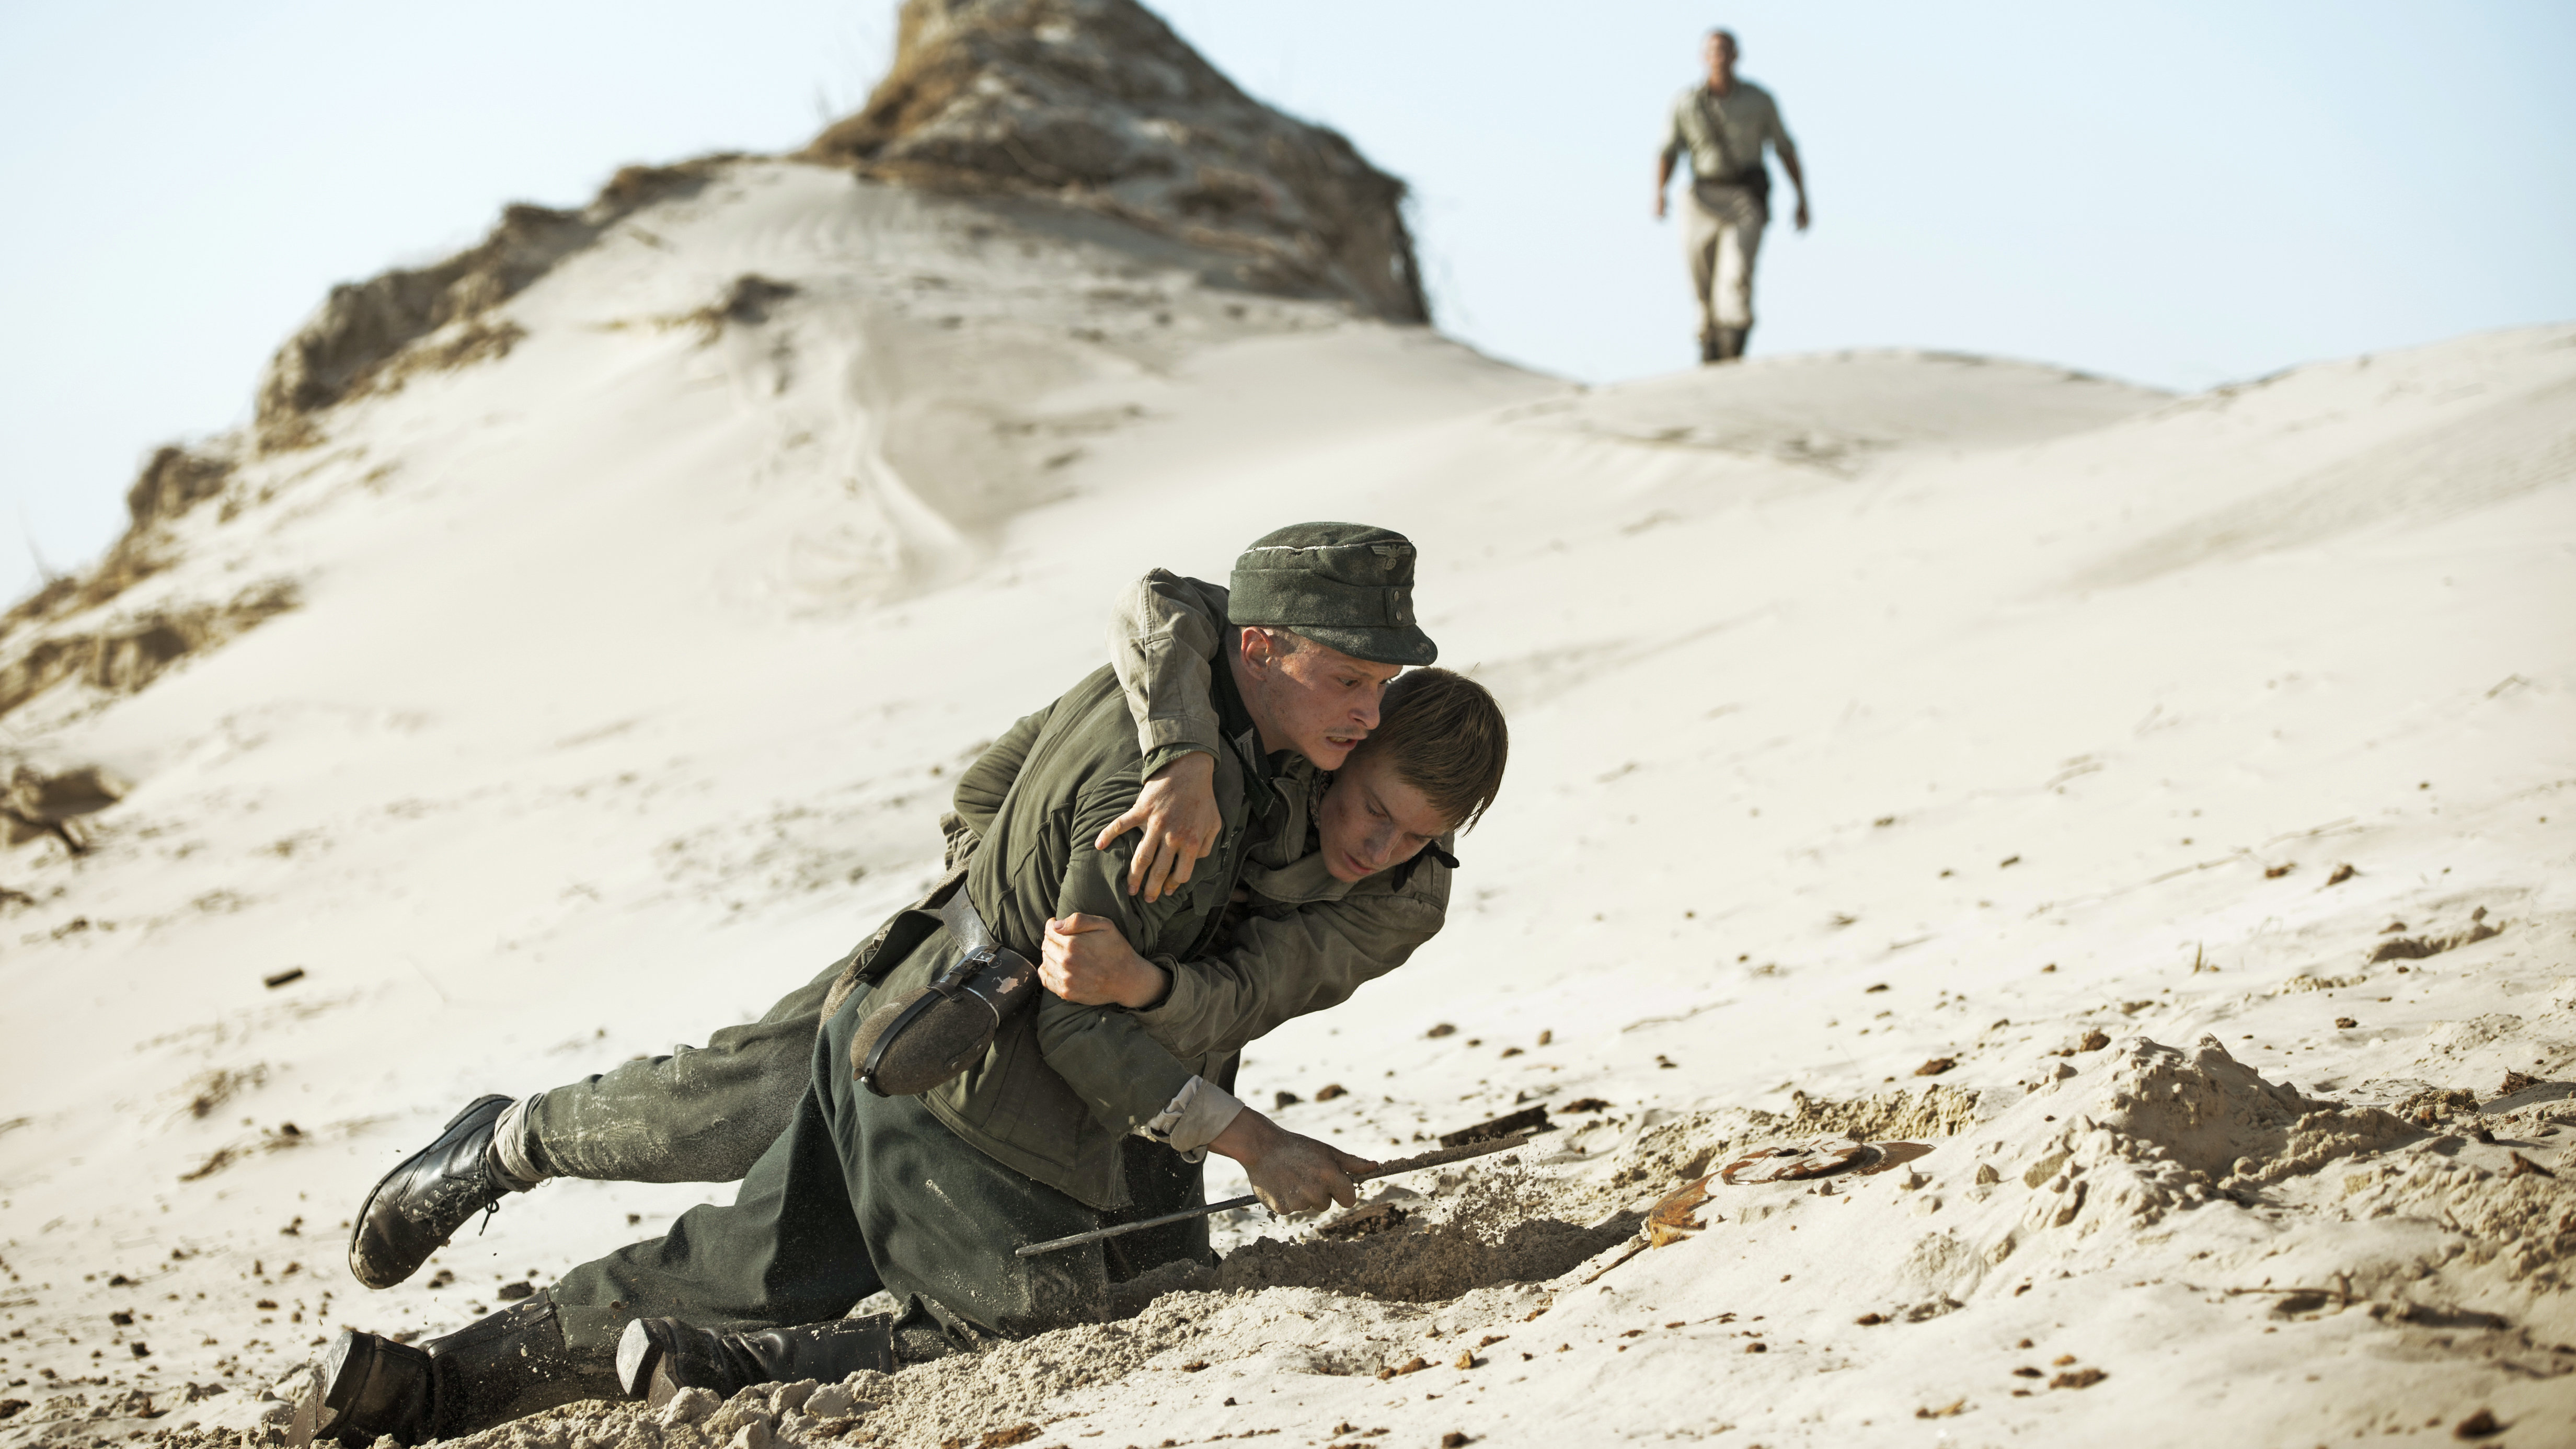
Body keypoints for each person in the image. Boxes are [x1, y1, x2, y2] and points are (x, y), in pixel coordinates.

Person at [295, 525, 1510, 1446]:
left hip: (1019, 1032)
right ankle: (528, 1173)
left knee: (765, 1244)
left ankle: (437, 1386)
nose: (1368, 714)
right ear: (1267, 650)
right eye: (1353, 682)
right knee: (795, 1154)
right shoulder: (1168, 787)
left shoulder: (1260, 758)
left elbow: (1230, 975)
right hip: (979, 1039)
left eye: (1379, 692)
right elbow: (1043, 857)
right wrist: (1000, 914)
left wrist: (1111, 958)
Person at [1653, 27, 1809, 365]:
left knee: (1735, 278)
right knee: (1702, 284)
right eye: (1713, 51)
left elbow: (1785, 148)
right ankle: (1709, 352)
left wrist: (1802, 197)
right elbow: (1668, 150)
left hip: (1744, 198)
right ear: (1703, 57)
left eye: (1726, 50)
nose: (1720, 57)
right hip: (1701, 197)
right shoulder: (1686, 103)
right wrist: (1660, 193)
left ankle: (1731, 356)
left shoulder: (1759, 101)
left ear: (1736, 56)